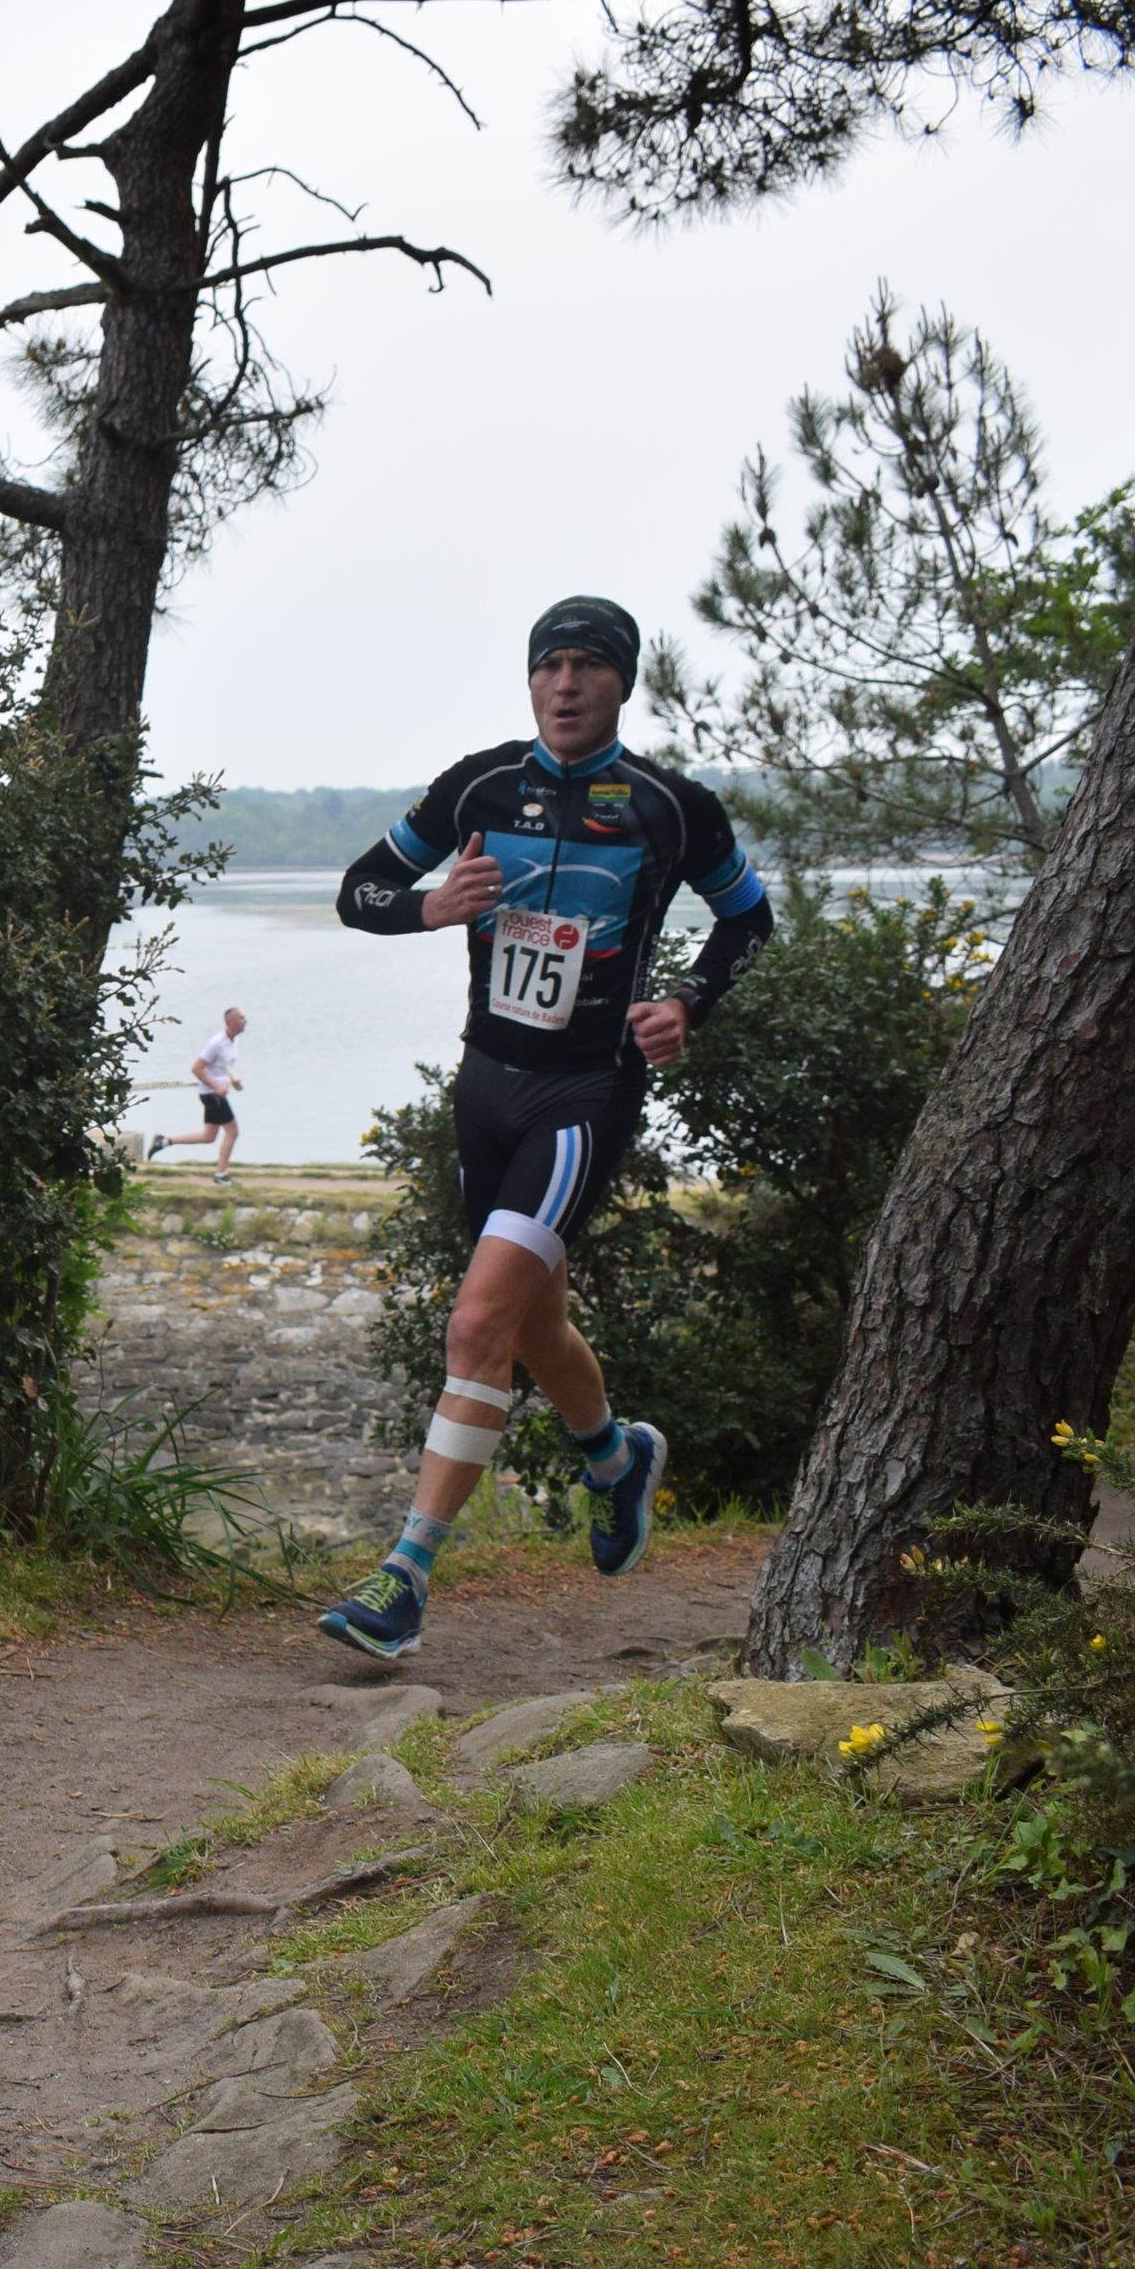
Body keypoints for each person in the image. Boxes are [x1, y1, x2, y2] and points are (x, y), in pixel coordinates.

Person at [315, 595, 774, 1661]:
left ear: (622, 682)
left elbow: (747, 916)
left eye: (587, 665)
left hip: (583, 1097)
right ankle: (615, 1457)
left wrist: (688, 1004)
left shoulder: (670, 807)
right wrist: (428, 906)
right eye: (548, 665)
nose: (565, 684)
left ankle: (405, 1576)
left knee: (477, 1323)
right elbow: (358, 889)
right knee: (529, 1327)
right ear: (530, 680)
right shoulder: (479, 787)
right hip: (484, 1088)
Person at [147, 1007, 249, 1176]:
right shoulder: (216, 1043)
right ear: (230, 1022)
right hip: (212, 1095)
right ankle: (221, 1175)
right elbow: (196, 1068)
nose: (245, 1021)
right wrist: (216, 1086)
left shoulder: (233, 1041)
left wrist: (233, 1080)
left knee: (209, 1136)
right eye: (241, 1018)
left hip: (214, 1094)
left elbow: (221, 1068)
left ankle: (163, 1141)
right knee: (233, 1131)